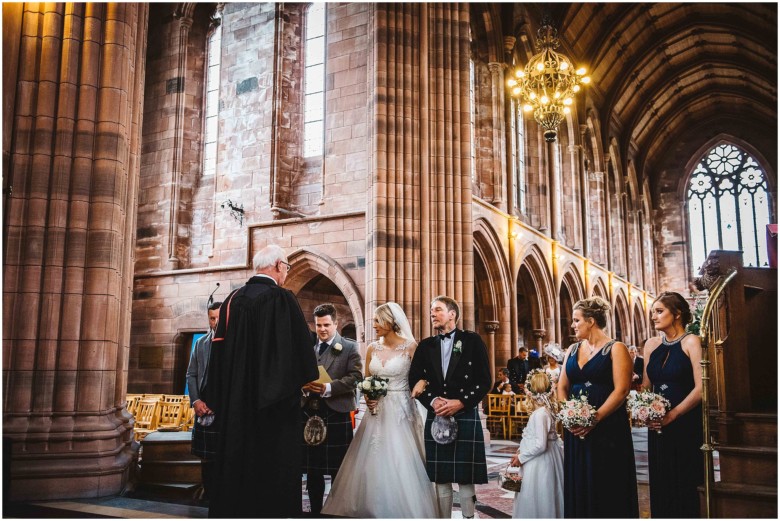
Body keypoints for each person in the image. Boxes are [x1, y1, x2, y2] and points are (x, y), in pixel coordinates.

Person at [205, 245, 319, 518]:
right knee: (271, 474)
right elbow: (300, 353)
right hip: (273, 412)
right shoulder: (281, 298)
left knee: (237, 467)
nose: (286, 274)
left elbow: (217, 354)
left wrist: (221, 399)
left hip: (235, 409)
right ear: (279, 266)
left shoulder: (232, 300)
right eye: (287, 268)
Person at [321, 303, 437, 518]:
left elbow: (425, 375)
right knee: (370, 456)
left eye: (377, 320)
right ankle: (369, 506)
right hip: (376, 411)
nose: (373, 325)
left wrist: (423, 382)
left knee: (400, 457)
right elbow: (366, 379)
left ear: (390, 322)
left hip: (401, 408)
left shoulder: (411, 346)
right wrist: (368, 395)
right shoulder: (373, 348)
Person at [409, 296, 492, 519]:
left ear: (452, 314)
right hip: (437, 415)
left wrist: (461, 402)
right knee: (441, 476)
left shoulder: (472, 341)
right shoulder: (426, 346)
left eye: (437, 310)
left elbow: (485, 380)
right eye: (431, 310)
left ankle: (468, 517)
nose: (432, 314)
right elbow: (414, 378)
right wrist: (433, 400)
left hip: (464, 412)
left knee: (466, 476)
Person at [557, 296, 638, 518]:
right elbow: (562, 386)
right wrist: (570, 415)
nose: (573, 325)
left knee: (606, 477)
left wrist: (594, 418)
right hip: (576, 428)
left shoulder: (616, 348)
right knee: (579, 476)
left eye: (576, 320)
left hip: (607, 425)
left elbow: (622, 390)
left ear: (591, 321)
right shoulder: (572, 350)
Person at [643, 292, 703, 518]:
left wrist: (674, 414)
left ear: (677, 314)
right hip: (658, 425)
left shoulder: (691, 342)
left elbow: (701, 388)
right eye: (653, 312)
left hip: (685, 421)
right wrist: (646, 410)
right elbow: (648, 387)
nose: (654, 317)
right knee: (661, 478)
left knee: (684, 479)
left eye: (659, 311)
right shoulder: (651, 345)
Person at [302, 303, 362, 516]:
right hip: (310, 412)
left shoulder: (349, 347)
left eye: (327, 324)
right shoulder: (307, 347)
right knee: (312, 469)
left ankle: (337, 512)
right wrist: (303, 387)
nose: (322, 329)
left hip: (336, 412)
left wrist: (328, 387)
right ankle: (315, 511)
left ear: (336, 323)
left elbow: (356, 377)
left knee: (338, 468)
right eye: (318, 325)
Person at [510, 370, 564, 518]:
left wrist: (521, 457)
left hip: (541, 462)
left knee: (539, 495)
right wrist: (520, 450)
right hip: (546, 457)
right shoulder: (545, 411)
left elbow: (540, 444)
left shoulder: (540, 414)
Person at [185, 300, 221, 499]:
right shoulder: (201, 343)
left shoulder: (234, 344)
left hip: (223, 409)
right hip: (202, 405)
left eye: (218, 318)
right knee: (205, 457)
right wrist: (196, 401)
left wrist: (220, 405)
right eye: (212, 318)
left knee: (223, 457)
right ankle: (207, 493)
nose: (215, 322)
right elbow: (191, 375)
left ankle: (222, 495)